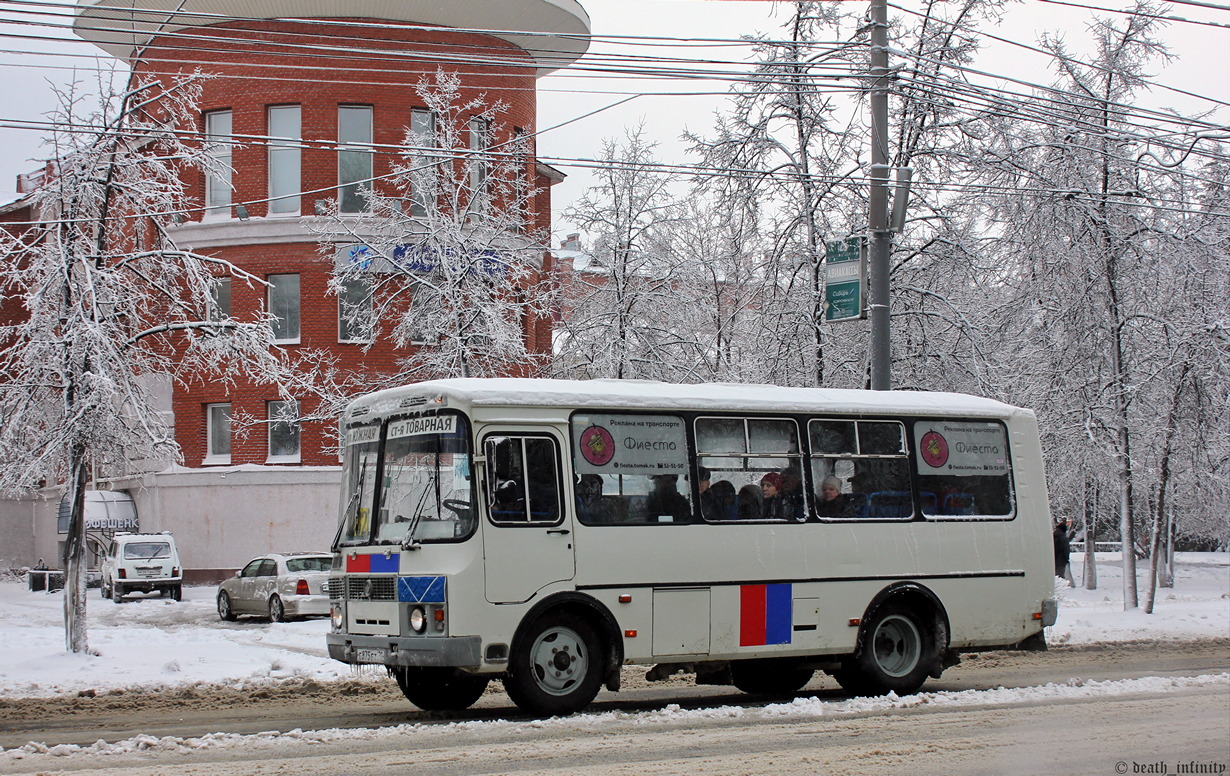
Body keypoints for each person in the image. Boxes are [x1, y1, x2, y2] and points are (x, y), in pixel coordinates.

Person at [1054, 519, 1074, 585]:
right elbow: (1066, 551)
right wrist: (1066, 560)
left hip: (1051, 561)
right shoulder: (1064, 539)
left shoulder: (1052, 537)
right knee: (1060, 578)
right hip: (1061, 561)